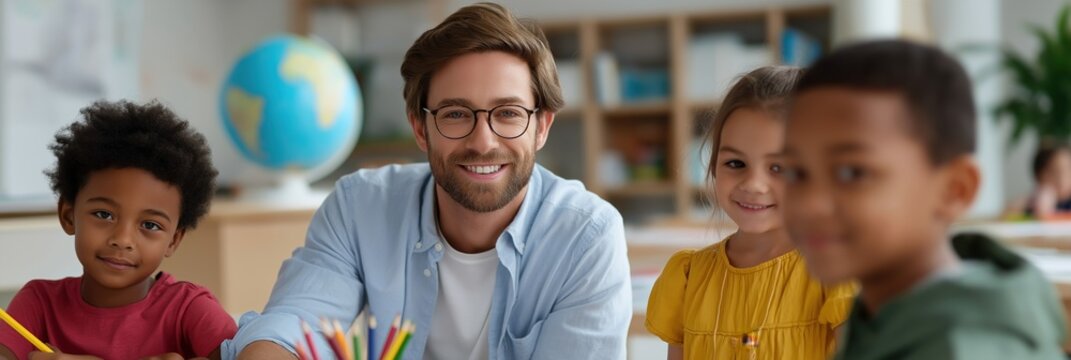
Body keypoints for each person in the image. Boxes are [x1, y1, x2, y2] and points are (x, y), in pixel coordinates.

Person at [224, 3, 631, 359]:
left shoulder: (586, 236)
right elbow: (293, 325)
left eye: (508, 113)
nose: (483, 142)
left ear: (541, 127)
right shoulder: (359, 206)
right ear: (421, 128)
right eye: (456, 114)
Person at [783, 39, 1067, 360]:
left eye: (852, 173)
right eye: (795, 173)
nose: (810, 204)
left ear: (954, 189)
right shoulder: (884, 313)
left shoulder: (963, 350)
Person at [646, 66, 854, 360]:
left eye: (779, 168)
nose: (754, 185)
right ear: (713, 166)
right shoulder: (689, 277)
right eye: (735, 163)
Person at [0, 100, 234, 360]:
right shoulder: (38, 303)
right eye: (104, 215)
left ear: (173, 240)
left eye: (150, 225)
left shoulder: (190, 309)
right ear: (68, 215)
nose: (122, 240)